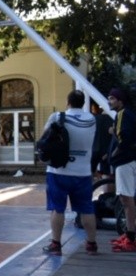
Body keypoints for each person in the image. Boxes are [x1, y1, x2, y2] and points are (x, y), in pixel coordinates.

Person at [40, 90, 98, 255]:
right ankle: (92, 244)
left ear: (68, 102)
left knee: (57, 209)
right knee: (87, 209)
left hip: (58, 170)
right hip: (83, 172)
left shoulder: (57, 117)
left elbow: (43, 138)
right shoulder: (91, 119)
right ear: (83, 103)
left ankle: (56, 244)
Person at [107, 88, 136, 252]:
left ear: (120, 100)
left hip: (125, 162)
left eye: (111, 99)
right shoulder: (130, 114)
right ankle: (130, 232)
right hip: (130, 160)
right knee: (129, 199)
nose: (109, 102)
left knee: (126, 199)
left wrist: (116, 153)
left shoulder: (122, 114)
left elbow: (123, 136)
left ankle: (130, 237)